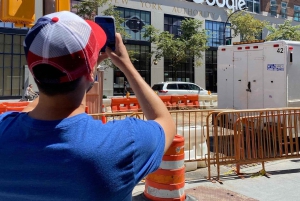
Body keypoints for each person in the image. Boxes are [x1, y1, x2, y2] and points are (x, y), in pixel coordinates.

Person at [0, 11, 176, 201]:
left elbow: (36, 106)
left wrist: (85, 67)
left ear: (34, 73)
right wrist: (126, 65)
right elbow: (165, 122)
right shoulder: (121, 144)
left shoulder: (4, 129)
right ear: (91, 74)